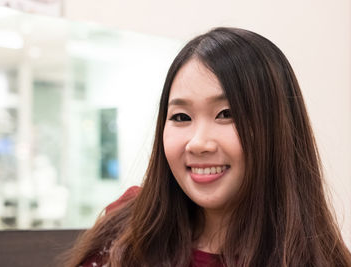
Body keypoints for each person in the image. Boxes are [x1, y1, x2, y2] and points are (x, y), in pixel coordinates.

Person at [62, 27, 351, 267]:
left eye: (227, 114)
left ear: (276, 128)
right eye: (181, 117)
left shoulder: (319, 258)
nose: (198, 143)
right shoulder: (126, 233)